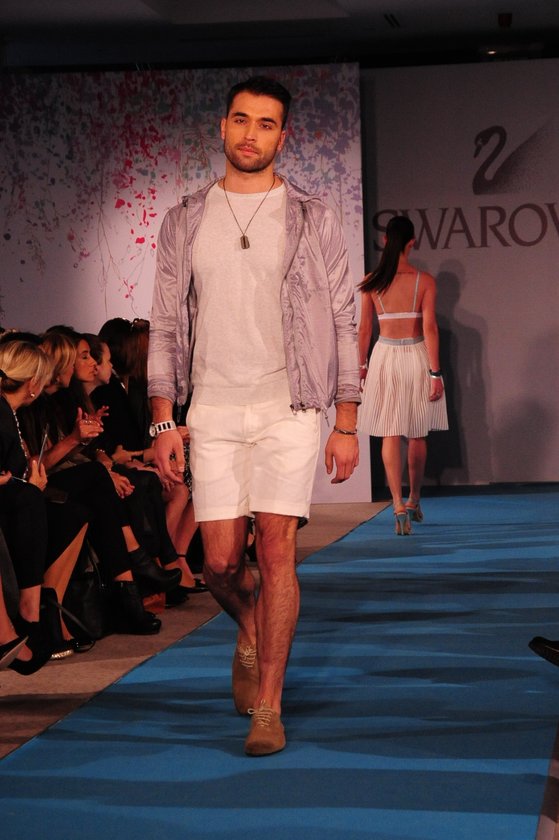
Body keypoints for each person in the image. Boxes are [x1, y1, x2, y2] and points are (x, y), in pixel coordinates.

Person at [147, 75, 360, 756]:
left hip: (288, 405)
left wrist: (346, 420)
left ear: (282, 136)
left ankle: (269, 705)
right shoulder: (184, 219)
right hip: (212, 405)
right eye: (241, 120)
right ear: (222, 126)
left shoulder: (311, 215)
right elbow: (165, 323)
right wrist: (162, 420)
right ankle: (249, 628)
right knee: (215, 562)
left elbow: (342, 314)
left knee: (275, 549)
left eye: (266, 124)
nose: (250, 134)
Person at [357, 215, 448, 535]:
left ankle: (397, 504)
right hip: (416, 356)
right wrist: (435, 372)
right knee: (417, 433)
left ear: (385, 241)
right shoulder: (425, 281)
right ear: (412, 242)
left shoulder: (371, 281)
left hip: (384, 357)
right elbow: (430, 329)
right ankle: (413, 499)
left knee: (390, 432)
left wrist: (361, 367)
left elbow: (364, 330)